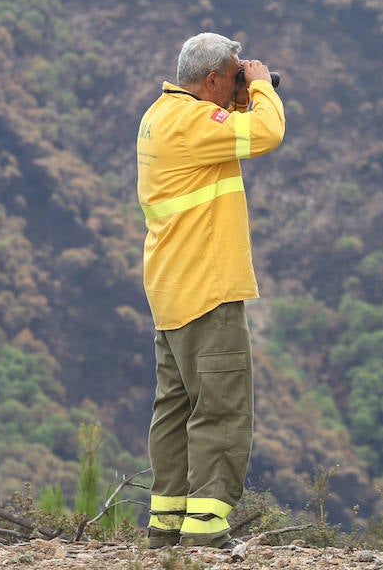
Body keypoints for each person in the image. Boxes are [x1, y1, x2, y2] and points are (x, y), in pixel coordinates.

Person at [135, 32, 286, 549]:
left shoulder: (161, 115)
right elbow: (266, 133)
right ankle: (205, 533)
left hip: (171, 289)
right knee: (221, 410)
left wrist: (236, 97)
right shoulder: (196, 123)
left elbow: (226, 131)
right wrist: (262, 87)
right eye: (234, 76)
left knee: (174, 410)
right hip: (207, 292)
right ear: (214, 80)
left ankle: (166, 526)